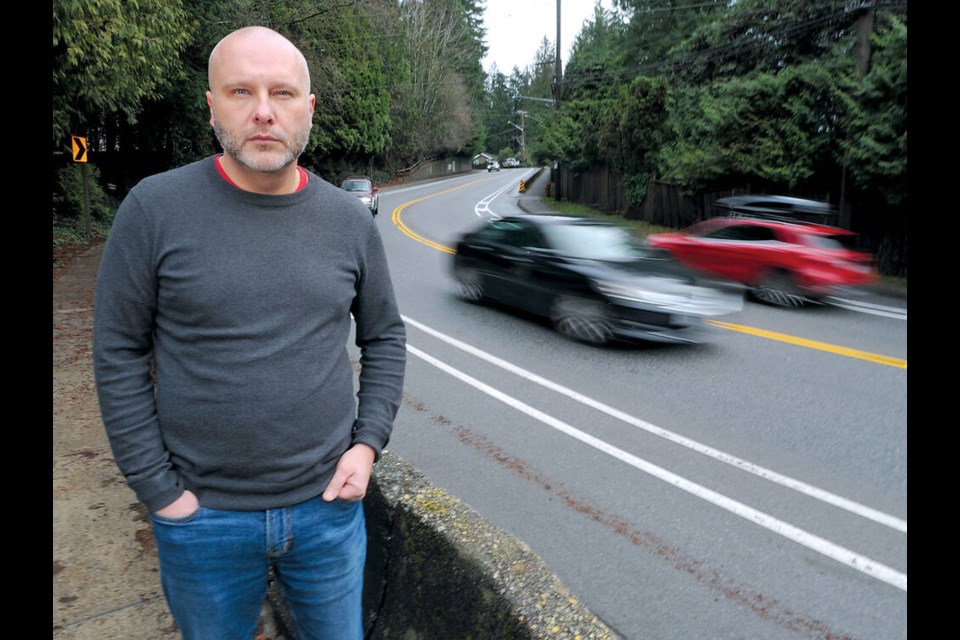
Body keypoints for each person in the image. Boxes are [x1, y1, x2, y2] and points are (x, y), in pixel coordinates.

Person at [92, 25, 406, 640]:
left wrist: (367, 445)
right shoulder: (153, 210)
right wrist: (159, 491)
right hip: (200, 519)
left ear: (308, 109)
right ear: (211, 104)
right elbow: (117, 351)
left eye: (283, 93)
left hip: (329, 511)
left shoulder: (349, 221)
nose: (264, 112)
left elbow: (385, 337)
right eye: (241, 90)